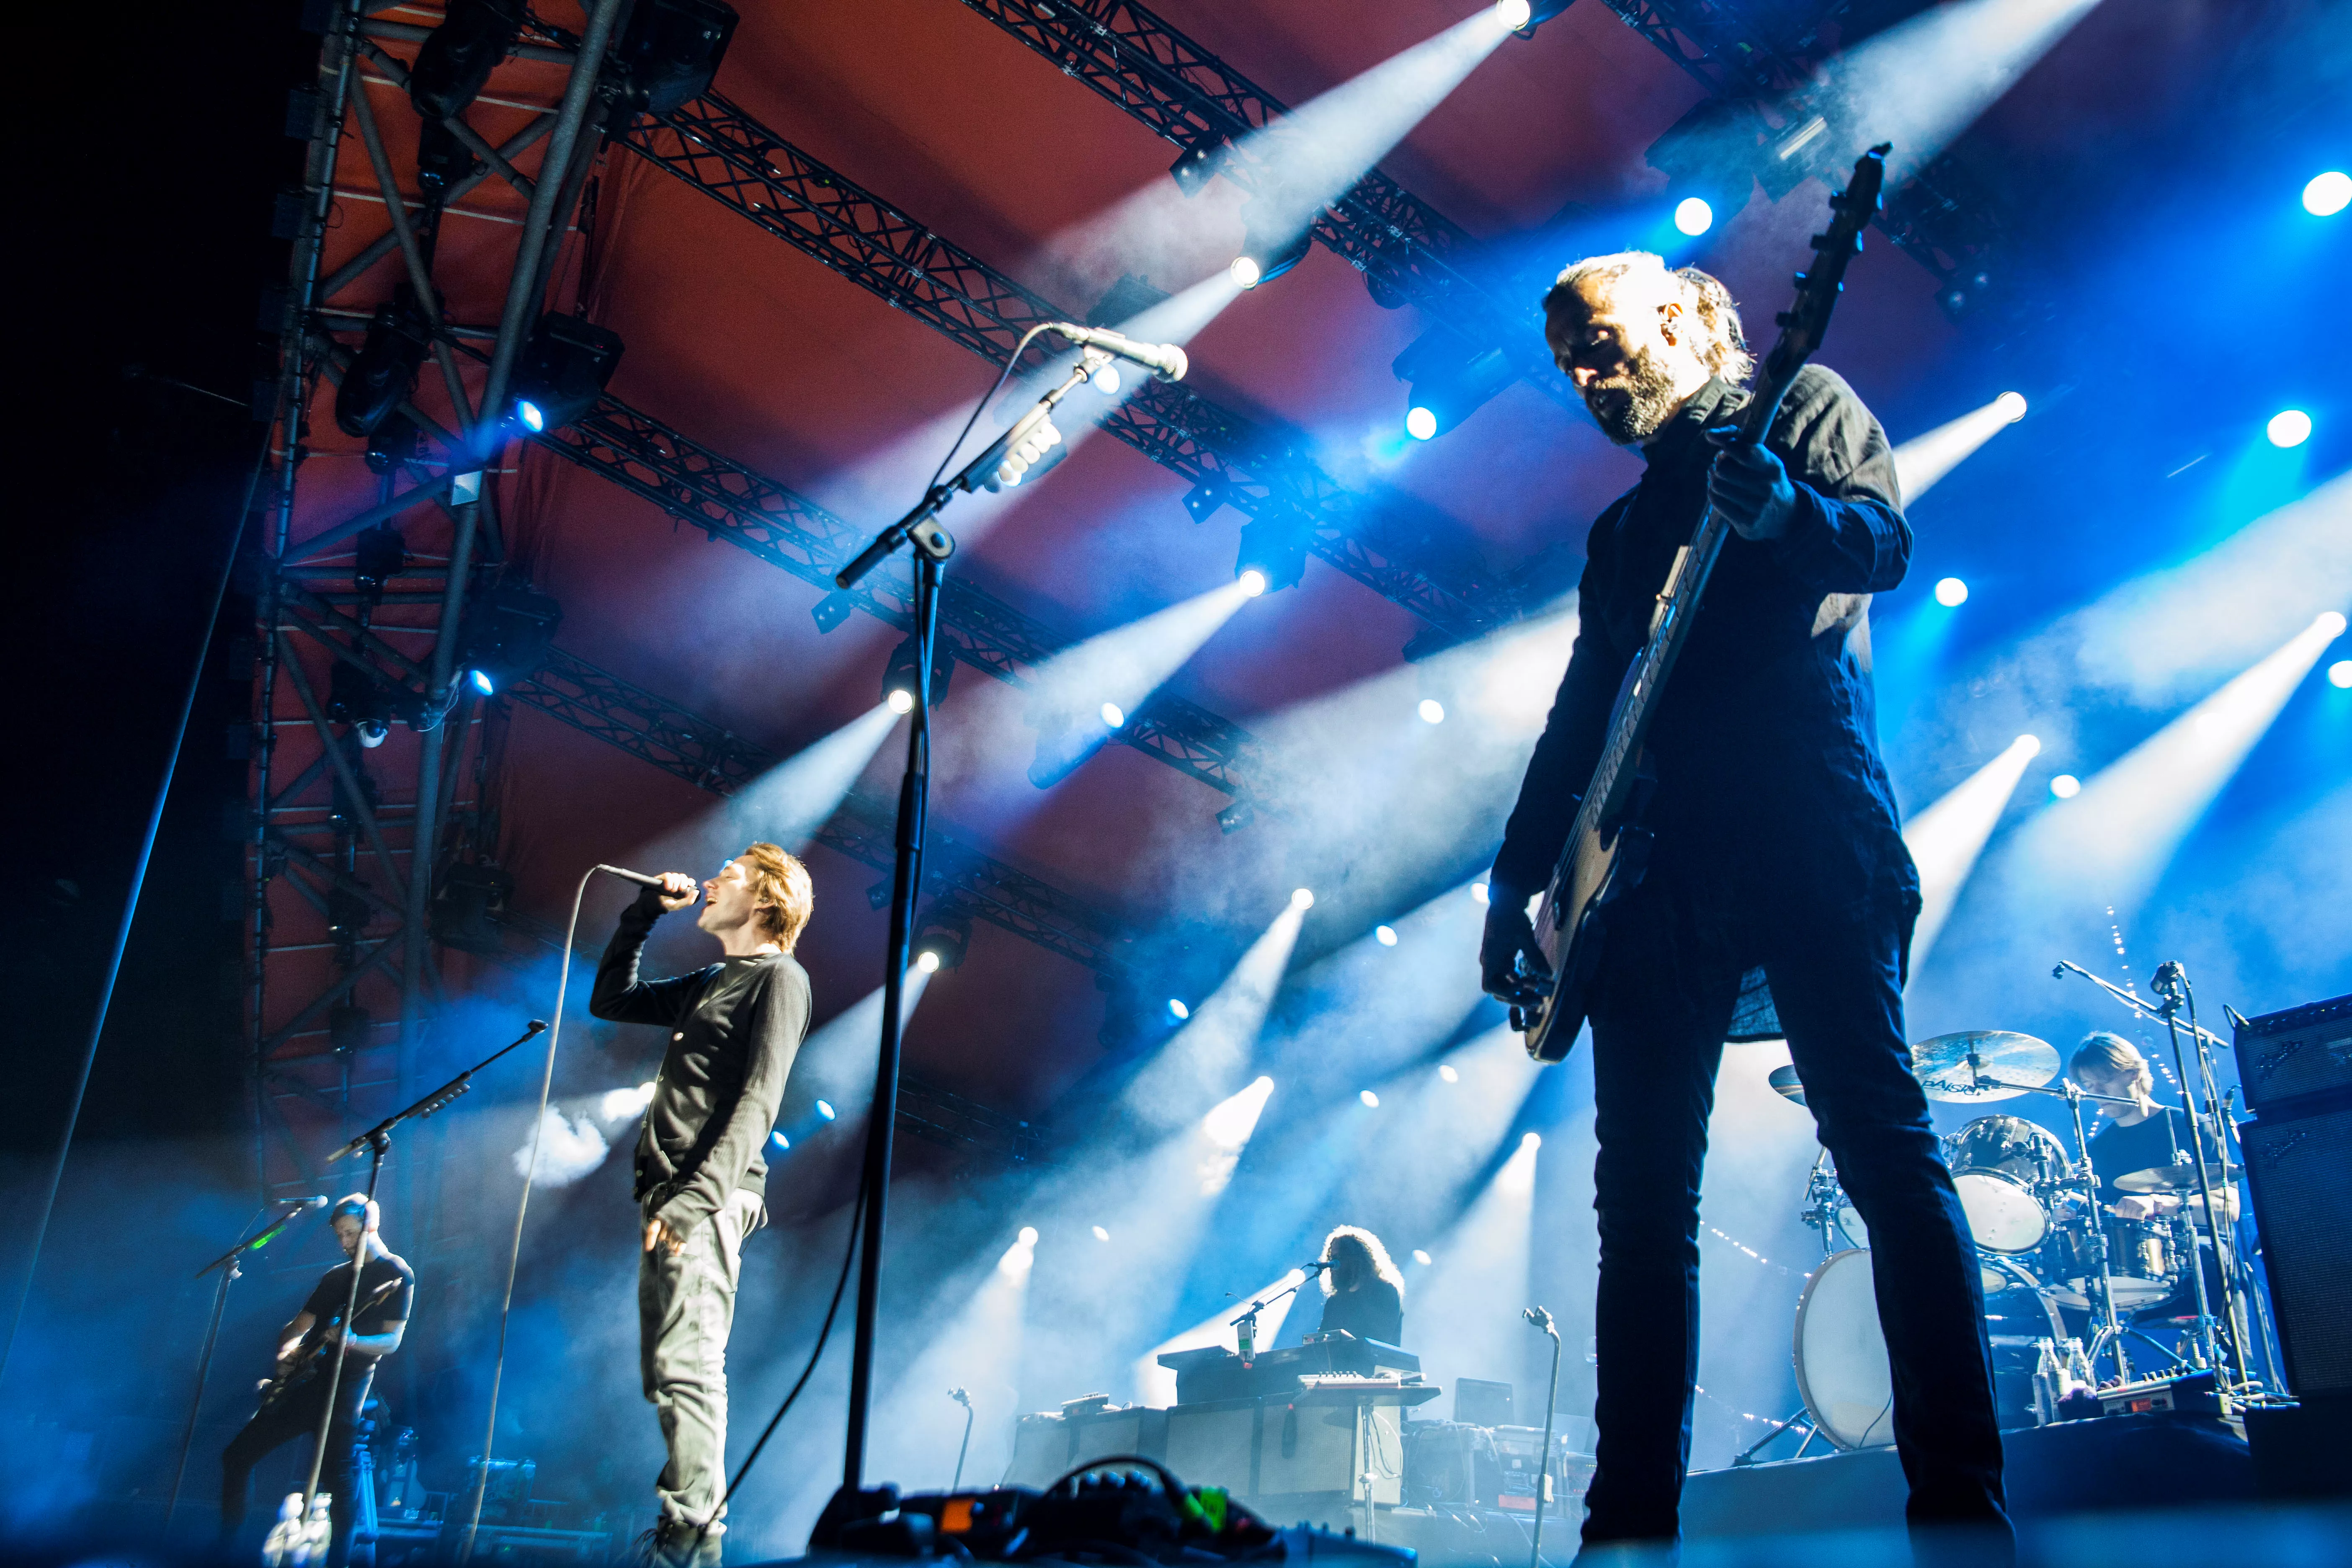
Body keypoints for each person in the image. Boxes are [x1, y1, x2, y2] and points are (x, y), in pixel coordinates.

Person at [1478, 252, 2009, 1556]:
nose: (1587, 381)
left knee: (1883, 1146)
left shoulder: (1804, 406)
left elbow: (1883, 542)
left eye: (1600, 346)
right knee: (1640, 1208)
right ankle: (1627, 1525)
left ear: (1686, 315)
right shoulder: (1620, 531)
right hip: (1652, 887)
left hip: (1804, 835)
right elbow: (1583, 713)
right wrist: (1515, 878)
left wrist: (1782, 515)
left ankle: (1958, 1503)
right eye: (1568, 367)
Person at [591, 843, 815, 1567]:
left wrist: (695, 1199)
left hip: (707, 1195)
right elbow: (613, 1000)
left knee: (689, 1363)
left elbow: (760, 1097)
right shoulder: (716, 976)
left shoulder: (780, 977)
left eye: (731, 874)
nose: (712, 879)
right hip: (671, 1192)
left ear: (769, 897)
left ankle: (693, 1542)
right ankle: (688, 1531)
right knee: (666, 1370)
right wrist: (643, 913)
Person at [218, 1194, 414, 1568]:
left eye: (351, 1234)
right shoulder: (336, 1277)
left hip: (345, 1393)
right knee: (237, 1457)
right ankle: (228, 1552)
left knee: (338, 1488)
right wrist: (286, 1351)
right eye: (340, 1235)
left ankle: (338, 1560)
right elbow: (296, 1327)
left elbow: (392, 1341)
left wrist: (353, 1341)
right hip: (306, 1385)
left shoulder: (397, 1273)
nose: (345, 1243)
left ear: (372, 1225)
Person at [2068, 1032, 2239, 1333]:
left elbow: (2229, 1208)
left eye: (2103, 1082)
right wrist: (2071, 1220)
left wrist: (2158, 1204)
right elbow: (2102, 1215)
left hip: (2201, 1259)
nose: (2095, 1094)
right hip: (2138, 1268)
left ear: (2132, 1073)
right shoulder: (2100, 1149)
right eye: (2088, 1087)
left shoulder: (2194, 1126)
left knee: (2209, 1255)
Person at [1309, 1226, 1405, 1346]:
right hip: (1341, 1363)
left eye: (1339, 1258)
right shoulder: (1335, 1302)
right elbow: (1321, 1343)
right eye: (1331, 1258)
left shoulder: (1385, 1292)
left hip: (1379, 1363)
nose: (1333, 1265)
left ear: (1357, 1259)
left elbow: (1380, 1339)